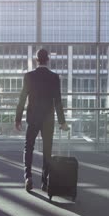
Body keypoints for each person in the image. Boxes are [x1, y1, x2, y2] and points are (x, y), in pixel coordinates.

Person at [15, 48, 69, 192]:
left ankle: (28, 177)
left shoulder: (29, 76)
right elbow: (58, 101)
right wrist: (62, 122)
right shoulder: (54, 77)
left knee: (29, 147)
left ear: (36, 60)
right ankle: (44, 181)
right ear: (48, 60)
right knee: (47, 151)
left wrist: (18, 118)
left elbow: (22, 99)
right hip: (48, 119)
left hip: (33, 118)